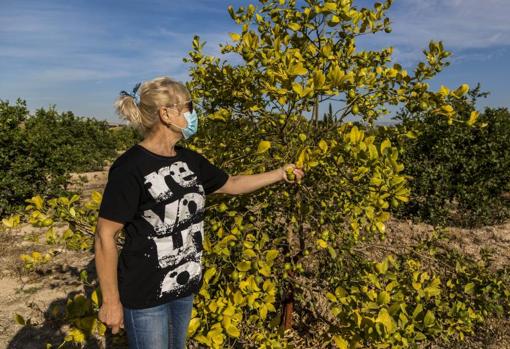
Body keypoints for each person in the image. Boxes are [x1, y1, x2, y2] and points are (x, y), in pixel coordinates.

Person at [94, 76, 305, 349]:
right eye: (188, 107)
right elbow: (105, 235)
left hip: (184, 286)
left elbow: (232, 184)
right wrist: (111, 301)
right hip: (146, 294)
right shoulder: (130, 167)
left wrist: (279, 173)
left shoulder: (189, 160)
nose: (193, 114)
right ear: (167, 113)